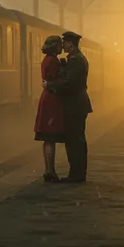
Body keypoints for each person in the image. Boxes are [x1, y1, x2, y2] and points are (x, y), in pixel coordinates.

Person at [43, 31, 92, 183]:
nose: (63, 45)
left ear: (70, 44)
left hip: (75, 105)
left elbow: (69, 83)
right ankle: (76, 173)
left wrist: (49, 84)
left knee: (74, 141)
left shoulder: (76, 60)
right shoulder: (75, 58)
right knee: (75, 140)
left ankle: (76, 175)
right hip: (76, 104)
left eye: (64, 42)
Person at [34, 35, 67, 182]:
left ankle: (48, 169)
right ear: (55, 46)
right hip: (52, 100)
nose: (62, 47)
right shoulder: (53, 61)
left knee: (47, 138)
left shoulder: (45, 60)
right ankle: (51, 171)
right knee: (50, 137)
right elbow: (57, 79)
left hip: (46, 97)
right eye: (60, 45)